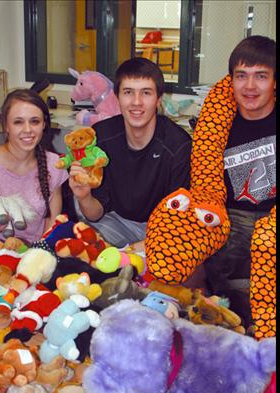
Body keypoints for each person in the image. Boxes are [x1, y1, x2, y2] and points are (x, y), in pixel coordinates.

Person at [68, 57, 192, 251]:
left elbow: (179, 224)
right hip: (114, 222)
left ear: (159, 99)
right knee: (81, 236)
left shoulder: (178, 146)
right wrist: (84, 197)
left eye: (146, 93)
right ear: (117, 97)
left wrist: (128, 253)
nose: (136, 102)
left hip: (163, 232)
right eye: (128, 92)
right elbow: (96, 214)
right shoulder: (100, 136)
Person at [203, 35, 276, 331]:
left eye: (261, 76)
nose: (249, 86)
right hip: (231, 220)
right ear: (230, 80)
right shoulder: (218, 124)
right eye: (241, 76)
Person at [0, 88, 68, 267]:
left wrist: (36, 257)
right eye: (18, 122)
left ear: (44, 124)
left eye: (35, 121)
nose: (28, 130)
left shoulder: (54, 165)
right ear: (6, 126)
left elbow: (52, 223)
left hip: (32, 263)